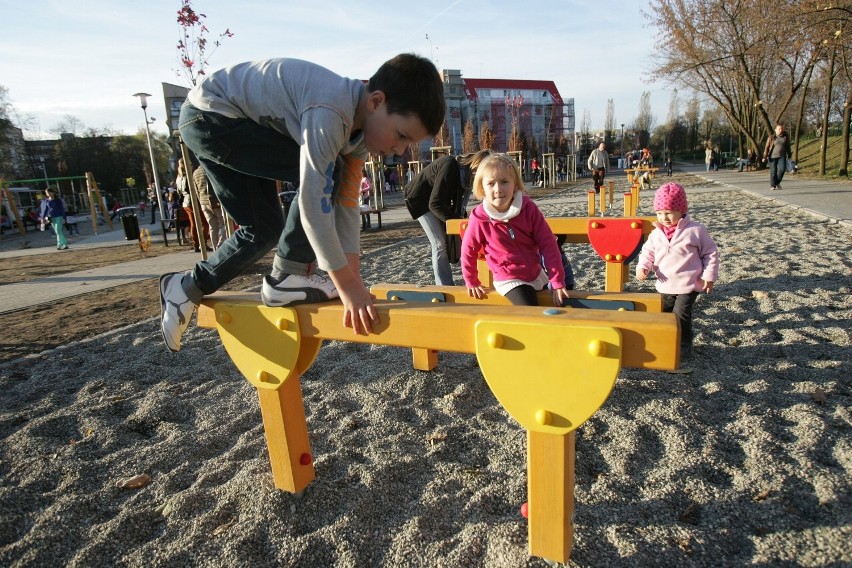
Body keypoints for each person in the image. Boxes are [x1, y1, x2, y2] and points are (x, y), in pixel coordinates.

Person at [159, 53, 445, 352]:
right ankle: (287, 276)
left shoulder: (357, 139)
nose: (399, 150)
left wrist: (354, 283)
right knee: (324, 173)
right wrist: (345, 286)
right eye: (401, 135)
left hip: (223, 119)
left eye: (408, 144)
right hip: (212, 117)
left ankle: (186, 287)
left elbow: (346, 205)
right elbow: (313, 202)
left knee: (263, 229)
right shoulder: (331, 111)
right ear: (376, 102)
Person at [460, 153, 570, 307]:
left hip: (536, 273)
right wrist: (471, 280)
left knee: (557, 304)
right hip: (509, 278)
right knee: (530, 310)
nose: (498, 189)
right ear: (482, 188)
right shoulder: (480, 219)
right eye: (491, 183)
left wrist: (557, 280)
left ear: (515, 184)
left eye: (504, 182)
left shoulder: (528, 209)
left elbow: (548, 243)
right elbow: (468, 250)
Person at [635, 182, 719, 359]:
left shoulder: (695, 230)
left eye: (668, 213)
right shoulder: (656, 233)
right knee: (664, 315)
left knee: (680, 315)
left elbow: (710, 253)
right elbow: (647, 252)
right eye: (659, 213)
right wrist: (643, 267)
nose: (663, 217)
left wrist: (708, 277)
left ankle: (683, 348)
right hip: (665, 285)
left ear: (681, 210)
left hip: (688, 284)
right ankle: (665, 343)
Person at [403, 149, 492, 285]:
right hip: (419, 199)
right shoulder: (450, 166)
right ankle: (444, 284)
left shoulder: (466, 178)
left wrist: (461, 220)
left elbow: (458, 206)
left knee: (451, 235)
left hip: (436, 200)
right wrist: (456, 221)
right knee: (439, 243)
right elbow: (435, 203)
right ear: (476, 166)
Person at [192, 164, 225, 250]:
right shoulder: (210, 168)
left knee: (212, 227)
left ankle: (215, 249)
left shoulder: (195, 172)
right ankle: (220, 246)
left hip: (203, 202)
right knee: (224, 224)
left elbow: (196, 190)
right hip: (214, 201)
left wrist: (201, 202)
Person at [763, 124, 792, 190]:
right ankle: (773, 185)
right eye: (779, 129)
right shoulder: (771, 137)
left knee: (782, 170)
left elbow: (788, 146)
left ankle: (777, 182)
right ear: (775, 130)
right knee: (773, 171)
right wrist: (764, 157)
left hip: (782, 156)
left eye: (781, 129)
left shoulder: (785, 137)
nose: (780, 130)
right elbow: (767, 148)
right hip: (772, 157)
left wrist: (789, 154)